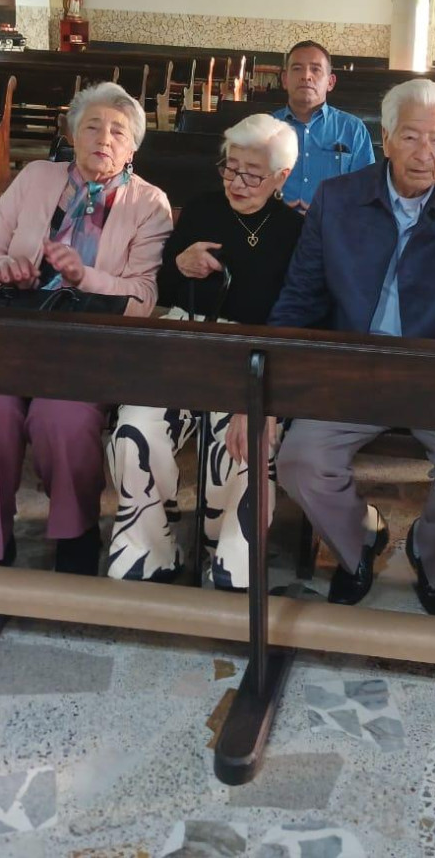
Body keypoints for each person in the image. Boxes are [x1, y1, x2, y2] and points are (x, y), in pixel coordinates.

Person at [270, 79, 435, 617]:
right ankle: (359, 544)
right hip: (353, 366)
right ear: (386, 138)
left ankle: (427, 552)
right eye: (412, 138)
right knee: (300, 462)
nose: (426, 154)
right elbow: (299, 297)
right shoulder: (339, 198)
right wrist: (273, 382)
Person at [0, 83, 172, 575]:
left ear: (132, 148)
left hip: (88, 342)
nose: (103, 138)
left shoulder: (149, 203)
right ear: (72, 133)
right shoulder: (36, 177)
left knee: (61, 417)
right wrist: (5, 268)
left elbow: (144, 299)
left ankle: (75, 533)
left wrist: (86, 278)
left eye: (117, 132)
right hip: (15, 335)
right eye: (92, 126)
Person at [106, 114, 301, 588]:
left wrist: (257, 391)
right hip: (188, 340)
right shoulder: (202, 208)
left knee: (245, 442)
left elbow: (298, 313)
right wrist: (180, 262)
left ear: (281, 177)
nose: (236, 181)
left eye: (252, 173)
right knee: (135, 428)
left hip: (258, 353)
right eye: (229, 167)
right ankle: (150, 551)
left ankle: (229, 557)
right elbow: (165, 286)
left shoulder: (296, 230)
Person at [273, 40, 375, 210]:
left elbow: (367, 191)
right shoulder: (266, 128)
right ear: (284, 79)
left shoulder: (353, 129)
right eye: (297, 68)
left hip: (334, 229)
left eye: (316, 69)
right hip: (274, 225)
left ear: (330, 82)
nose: (306, 76)